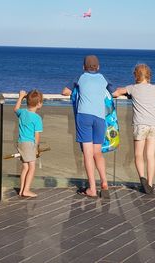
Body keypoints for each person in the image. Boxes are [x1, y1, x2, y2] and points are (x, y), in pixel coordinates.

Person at [62, 55, 115, 198]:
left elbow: (65, 91)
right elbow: (113, 92)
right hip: (100, 118)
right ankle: (104, 182)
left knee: (87, 153)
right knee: (97, 152)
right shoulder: (103, 78)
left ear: (83, 67)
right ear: (98, 67)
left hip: (84, 116)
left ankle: (92, 188)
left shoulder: (80, 77)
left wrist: (77, 92)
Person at [113, 64, 155, 194]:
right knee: (150, 155)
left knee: (138, 154)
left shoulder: (132, 88)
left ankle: (142, 178)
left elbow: (116, 93)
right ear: (148, 76)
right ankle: (149, 183)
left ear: (135, 76)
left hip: (140, 125)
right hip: (154, 124)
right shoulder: (154, 88)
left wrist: (118, 91)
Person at [14, 89, 43, 197]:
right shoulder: (37, 118)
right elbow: (37, 135)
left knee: (25, 167)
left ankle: (22, 190)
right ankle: (26, 190)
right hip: (29, 144)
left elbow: (15, 108)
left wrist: (20, 97)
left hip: (20, 143)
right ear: (39, 104)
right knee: (32, 167)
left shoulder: (22, 112)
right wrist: (36, 147)